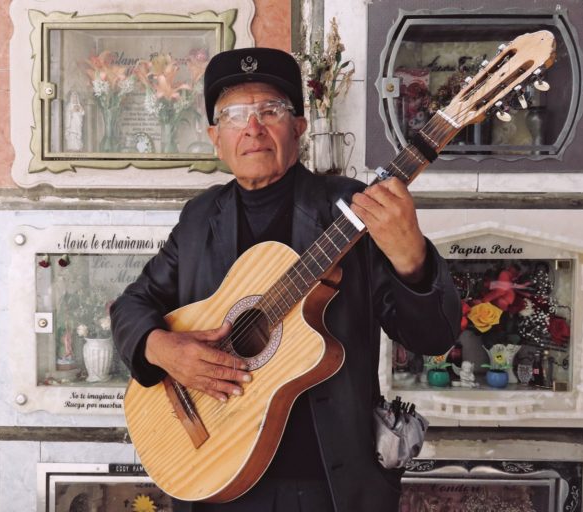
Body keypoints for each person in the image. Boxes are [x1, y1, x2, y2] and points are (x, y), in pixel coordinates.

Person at [111, 47, 461, 511]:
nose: (252, 128)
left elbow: (433, 335)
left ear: (299, 126)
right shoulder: (199, 219)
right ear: (215, 137)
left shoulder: (351, 209)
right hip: (218, 474)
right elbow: (131, 306)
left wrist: (410, 256)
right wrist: (161, 348)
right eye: (234, 115)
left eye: (270, 110)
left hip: (331, 487)